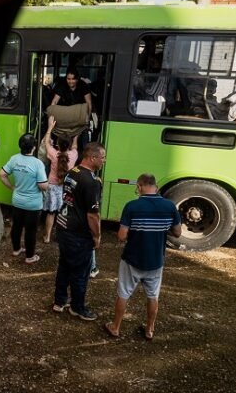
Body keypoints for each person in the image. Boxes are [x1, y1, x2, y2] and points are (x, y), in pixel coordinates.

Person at [104, 173, 182, 341]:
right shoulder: (169, 206)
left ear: (139, 187)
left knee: (123, 293)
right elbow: (177, 232)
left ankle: (115, 327)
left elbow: (121, 236)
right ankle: (149, 329)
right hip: (155, 260)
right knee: (153, 295)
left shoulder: (132, 206)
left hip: (132, 258)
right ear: (156, 187)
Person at [52, 142, 105, 321]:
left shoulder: (72, 172)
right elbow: (93, 215)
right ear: (92, 158)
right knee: (81, 273)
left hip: (63, 226)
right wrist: (97, 236)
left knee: (64, 265)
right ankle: (77, 307)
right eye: (102, 157)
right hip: (78, 233)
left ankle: (59, 301)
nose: (104, 160)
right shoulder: (91, 181)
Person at [0, 133, 49, 264]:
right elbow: (43, 186)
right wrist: (48, 184)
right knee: (30, 231)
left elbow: (2, 174)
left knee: (16, 226)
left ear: (20, 146)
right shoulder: (38, 163)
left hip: (17, 201)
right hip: (33, 204)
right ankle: (30, 257)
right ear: (34, 147)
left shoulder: (14, 159)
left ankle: (16, 249)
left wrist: (12, 187)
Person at [41, 116, 78, 244]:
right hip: (66, 188)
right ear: (69, 145)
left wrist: (50, 127)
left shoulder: (53, 153)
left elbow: (46, 141)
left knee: (51, 213)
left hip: (52, 187)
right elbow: (75, 146)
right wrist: (76, 135)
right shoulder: (73, 155)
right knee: (63, 213)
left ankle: (47, 237)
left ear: (57, 143)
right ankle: (60, 236)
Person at [50, 67, 93, 148]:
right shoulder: (62, 86)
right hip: (66, 113)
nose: (70, 81)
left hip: (80, 113)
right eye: (68, 79)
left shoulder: (83, 86)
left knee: (84, 130)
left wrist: (87, 117)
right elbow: (54, 101)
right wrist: (52, 114)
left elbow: (89, 103)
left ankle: (81, 149)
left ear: (77, 79)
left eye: (73, 79)